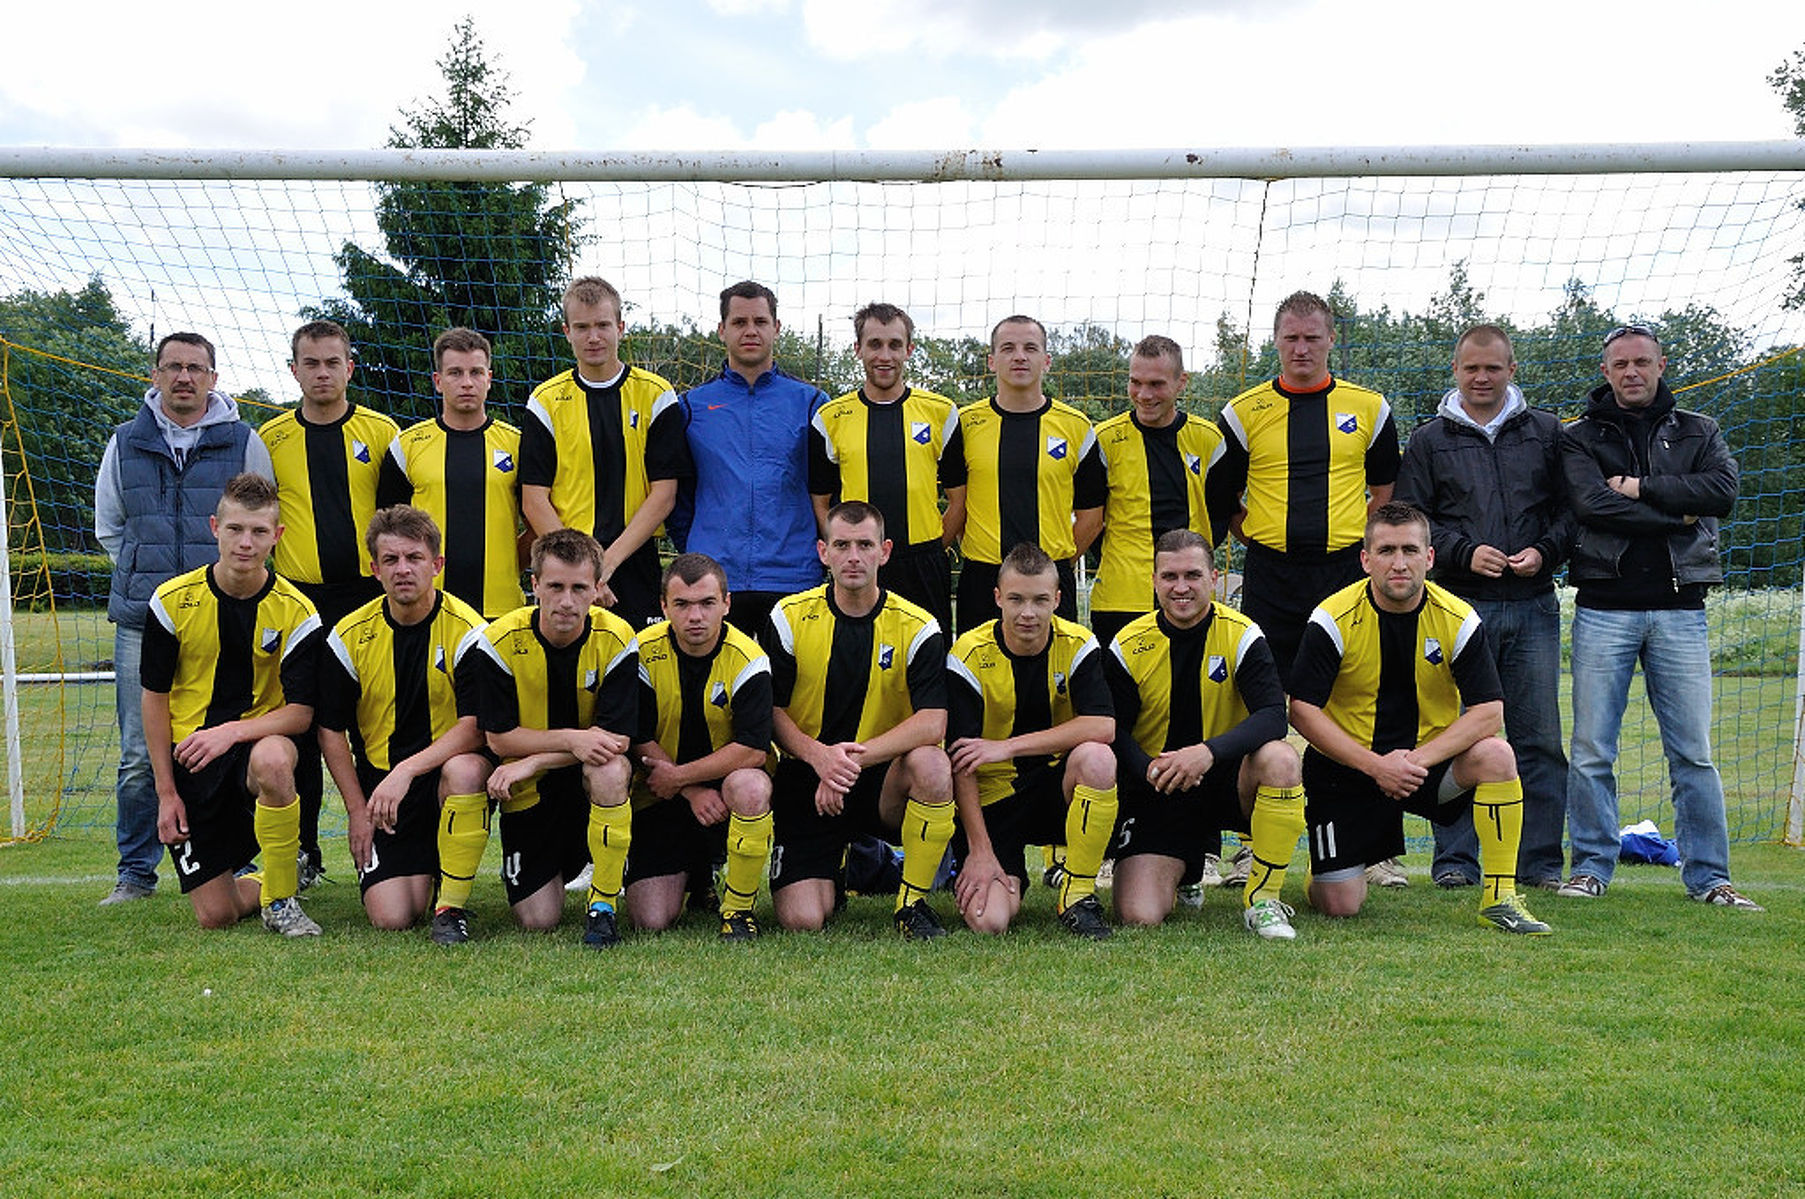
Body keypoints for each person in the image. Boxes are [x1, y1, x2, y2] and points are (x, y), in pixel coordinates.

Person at [1557, 325, 1758, 909]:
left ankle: (1710, 878)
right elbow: (1590, 504)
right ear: (1605, 371)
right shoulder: (1580, 438)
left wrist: (1641, 487)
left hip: (1681, 612)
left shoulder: (1700, 429)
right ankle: (1590, 868)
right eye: (1619, 364)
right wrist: (1677, 515)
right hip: (1603, 610)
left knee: (1693, 753)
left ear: (1661, 364)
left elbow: (1721, 492)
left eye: (1642, 362)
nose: (1631, 373)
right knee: (1593, 749)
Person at [1287, 502, 1552, 935]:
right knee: (1340, 905)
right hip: (1348, 769)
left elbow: (1489, 712)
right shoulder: (1331, 618)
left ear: (1429, 558)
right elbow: (1301, 709)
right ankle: (1325, 872)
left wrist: (1413, 762)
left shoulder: (1458, 618)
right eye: (1386, 550)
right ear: (1365, 559)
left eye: (1410, 550)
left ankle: (1500, 897)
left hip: (1424, 767)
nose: (1399, 563)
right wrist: (1375, 765)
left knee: (1497, 755)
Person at [1217, 290, 1403, 887]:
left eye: (1312, 337)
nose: (1302, 348)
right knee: (1258, 705)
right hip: (1272, 578)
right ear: (1276, 342)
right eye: (1291, 337)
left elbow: (1384, 494)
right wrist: (1263, 538)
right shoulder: (1244, 412)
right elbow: (1222, 502)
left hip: (1345, 577)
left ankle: (1371, 846)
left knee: (1357, 701)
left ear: (1330, 340)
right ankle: (1248, 840)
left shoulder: (1369, 408)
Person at [94, 331, 274, 905]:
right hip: (144, 619)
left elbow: (260, 515)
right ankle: (136, 872)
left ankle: (238, 859)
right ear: (155, 374)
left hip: (222, 620)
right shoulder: (125, 442)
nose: (184, 378)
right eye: (173, 366)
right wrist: (156, 584)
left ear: (213, 378)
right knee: (137, 754)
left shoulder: (243, 441)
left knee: (226, 741)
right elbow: (111, 529)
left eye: (196, 368)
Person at [1394, 324, 1572, 892]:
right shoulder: (1427, 440)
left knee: (1538, 738)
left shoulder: (1547, 433)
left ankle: (1539, 863)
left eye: (1493, 368)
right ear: (1456, 370)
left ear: (1511, 369)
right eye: (1471, 368)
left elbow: (1572, 513)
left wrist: (1544, 553)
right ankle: (1456, 860)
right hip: (1457, 609)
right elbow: (1412, 521)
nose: (1481, 378)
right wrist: (1465, 554)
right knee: (1458, 734)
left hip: (1533, 606)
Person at [141, 473, 324, 934]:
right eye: (235, 529)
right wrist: (165, 793)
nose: (246, 542)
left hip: (250, 751)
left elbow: (301, 713)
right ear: (214, 528)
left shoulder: (297, 611)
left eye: (259, 531)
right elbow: (154, 701)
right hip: (192, 760)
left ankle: (281, 900)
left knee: (276, 756)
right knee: (216, 916)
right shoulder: (170, 602)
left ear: (277, 537)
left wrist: (229, 733)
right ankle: (277, 875)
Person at [762, 501, 955, 937]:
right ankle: (850, 864)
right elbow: (770, 712)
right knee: (804, 920)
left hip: (879, 778)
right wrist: (819, 759)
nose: (853, 556)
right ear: (822, 552)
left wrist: (847, 763)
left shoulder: (918, 626)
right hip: (807, 776)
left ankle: (912, 903)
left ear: (884, 552)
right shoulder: (788, 617)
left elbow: (932, 723)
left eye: (864, 545)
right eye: (842, 545)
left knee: (932, 764)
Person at [1102, 531, 1306, 938]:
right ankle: (1185, 870)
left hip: (1228, 781)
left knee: (1281, 760)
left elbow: (1272, 716)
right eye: (1170, 576)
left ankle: (1263, 900)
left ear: (1214, 577)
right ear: (1154, 580)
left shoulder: (1242, 634)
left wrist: (1207, 753)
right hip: (1159, 786)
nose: (1181, 587)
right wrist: (1148, 771)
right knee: (1139, 915)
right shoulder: (1128, 644)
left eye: (1193, 575)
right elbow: (1114, 730)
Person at [259, 319, 399, 887]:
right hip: (301, 606)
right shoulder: (268, 438)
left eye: (332, 362)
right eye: (310, 363)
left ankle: (385, 845)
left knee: (371, 726)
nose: (322, 372)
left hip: (368, 598)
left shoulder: (383, 432)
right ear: (294, 370)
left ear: (350, 367)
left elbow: (399, 525)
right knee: (305, 727)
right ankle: (306, 853)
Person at [316, 506, 492, 938]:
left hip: (440, 780)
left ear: (437, 564)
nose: (403, 570)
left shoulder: (469, 632)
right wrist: (358, 811)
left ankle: (450, 907)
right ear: (375, 569)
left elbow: (476, 726)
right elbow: (330, 729)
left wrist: (408, 769)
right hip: (382, 793)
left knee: (466, 768)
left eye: (414, 558)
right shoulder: (349, 635)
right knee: (391, 917)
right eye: (391, 560)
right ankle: (430, 871)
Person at [465, 530, 643, 946]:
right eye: (555, 586)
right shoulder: (497, 641)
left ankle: (603, 906)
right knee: (537, 920)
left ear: (598, 589)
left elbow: (616, 739)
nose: (566, 601)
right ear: (534, 585)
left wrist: (537, 758)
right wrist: (571, 740)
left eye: (579, 588)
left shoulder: (617, 637)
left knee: (612, 769)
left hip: (581, 779)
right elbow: (499, 740)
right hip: (529, 793)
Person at [946, 543, 1117, 939]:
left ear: (1057, 599)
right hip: (994, 800)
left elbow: (1103, 725)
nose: (1028, 612)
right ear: (997, 598)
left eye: (1040, 600)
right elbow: (960, 762)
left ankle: (1077, 894)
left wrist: (1008, 746)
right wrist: (980, 850)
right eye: (1016, 599)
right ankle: (995, 865)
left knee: (1097, 758)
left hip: (1055, 788)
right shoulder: (967, 654)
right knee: (990, 922)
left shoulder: (1079, 643)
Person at [520, 277, 691, 629]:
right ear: (566, 331)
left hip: (632, 558)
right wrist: (578, 567)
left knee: (636, 669)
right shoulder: (545, 401)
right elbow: (534, 500)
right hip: (565, 563)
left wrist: (604, 566)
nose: (593, 337)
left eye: (602, 325)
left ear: (621, 327)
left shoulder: (656, 395)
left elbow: (664, 494)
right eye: (582, 327)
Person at [628, 553, 776, 940]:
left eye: (707, 603)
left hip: (724, 800)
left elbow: (753, 750)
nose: (695, 616)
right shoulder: (640, 651)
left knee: (752, 784)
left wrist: (683, 778)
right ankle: (697, 876)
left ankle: (738, 911)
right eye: (682, 604)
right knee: (651, 919)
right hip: (659, 795)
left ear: (726, 604)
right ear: (663, 607)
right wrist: (688, 790)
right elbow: (636, 736)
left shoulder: (750, 660)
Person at [672, 281, 827, 636]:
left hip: (794, 575)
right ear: (721, 330)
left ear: (777, 327)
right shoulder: (691, 407)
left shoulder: (811, 403)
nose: (750, 331)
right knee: (719, 689)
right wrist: (697, 544)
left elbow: (827, 489)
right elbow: (677, 492)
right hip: (714, 578)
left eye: (760, 321)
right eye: (740, 322)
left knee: (792, 688)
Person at [809, 302, 966, 635]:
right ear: (858, 349)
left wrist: (933, 549)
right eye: (874, 344)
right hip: (859, 562)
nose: (885, 355)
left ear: (908, 350)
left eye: (895, 344)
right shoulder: (829, 419)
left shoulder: (940, 412)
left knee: (929, 662)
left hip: (923, 563)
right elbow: (820, 503)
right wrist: (843, 550)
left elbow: (959, 499)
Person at [954, 314, 1104, 633]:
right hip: (982, 578)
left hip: (1049, 581)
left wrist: (1052, 567)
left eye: (1030, 348)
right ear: (992, 361)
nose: (1019, 356)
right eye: (1008, 348)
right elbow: (952, 501)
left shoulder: (1076, 427)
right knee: (977, 677)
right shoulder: (963, 425)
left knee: (1052, 678)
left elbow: (1091, 517)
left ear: (1046, 360)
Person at [1086, 336, 1236, 646]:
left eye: (1156, 384)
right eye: (1135, 382)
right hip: (1120, 597)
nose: (1143, 394)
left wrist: (1190, 562)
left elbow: (1221, 516)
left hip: (1189, 596)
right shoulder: (1103, 439)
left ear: (1182, 382)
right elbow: (1091, 519)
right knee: (1121, 693)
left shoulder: (1208, 440)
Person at [378, 327, 526, 619]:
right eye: (455, 373)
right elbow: (387, 527)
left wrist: (508, 563)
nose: (467, 383)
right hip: (428, 607)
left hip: (501, 607)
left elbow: (536, 520)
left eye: (476, 372)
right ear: (438, 381)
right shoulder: (406, 446)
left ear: (489, 379)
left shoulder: (518, 444)